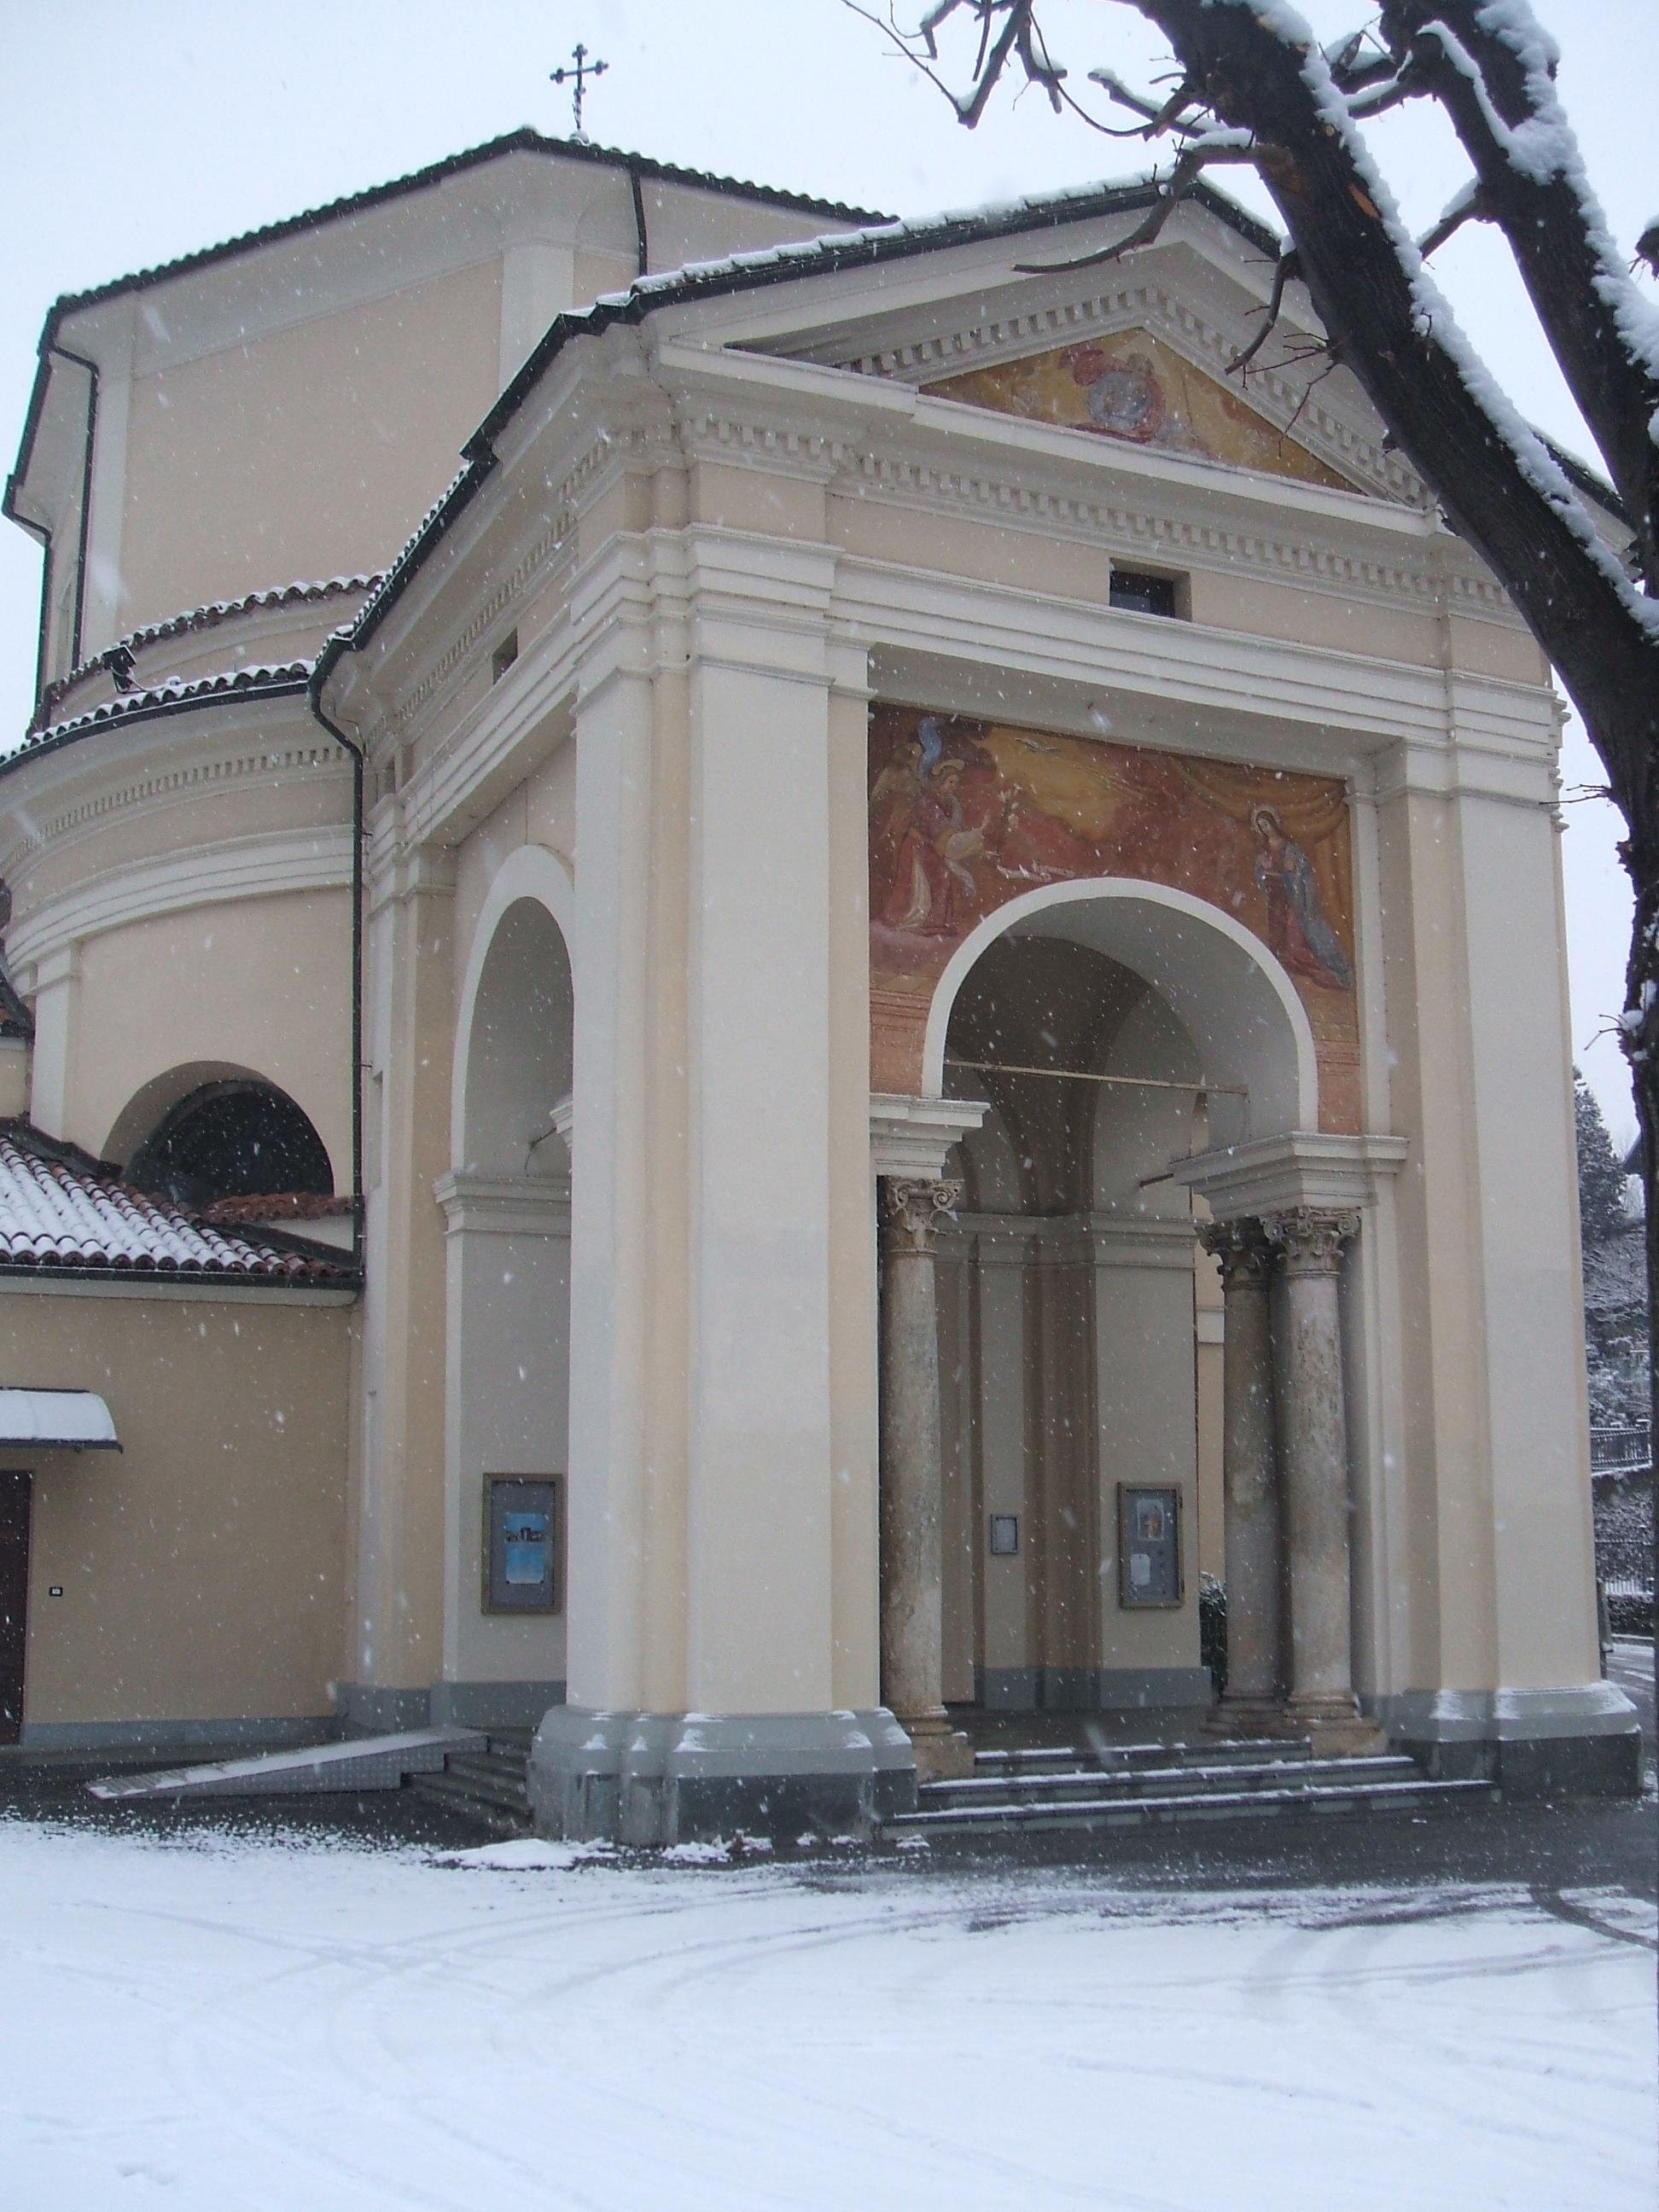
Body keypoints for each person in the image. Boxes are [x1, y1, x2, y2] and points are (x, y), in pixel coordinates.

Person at [1250, 806, 1353, 990]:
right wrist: (1264, 871)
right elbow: (1259, 874)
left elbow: (1305, 873)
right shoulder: (1264, 852)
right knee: (1277, 934)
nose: (1265, 829)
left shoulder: (1291, 849)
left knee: (1294, 936)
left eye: (1266, 824)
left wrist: (1293, 872)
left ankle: (1325, 968)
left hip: (1293, 899)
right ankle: (1281, 966)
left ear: (1273, 824)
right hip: (1276, 898)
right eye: (1261, 826)